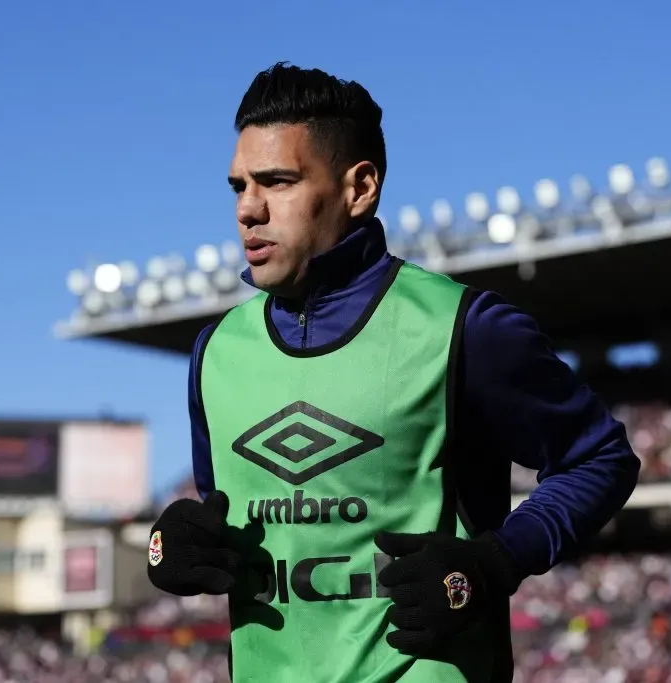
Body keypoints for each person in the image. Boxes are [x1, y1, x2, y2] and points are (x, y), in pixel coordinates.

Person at [146, 62, 639, 683]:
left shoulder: (462, 327)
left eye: (277, 182)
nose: (248, 209)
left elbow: (601, 459)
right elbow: (221, 515)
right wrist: (174, 547)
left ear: (360, 188)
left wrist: (494, 562)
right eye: (238, 185)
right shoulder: (216, 352)